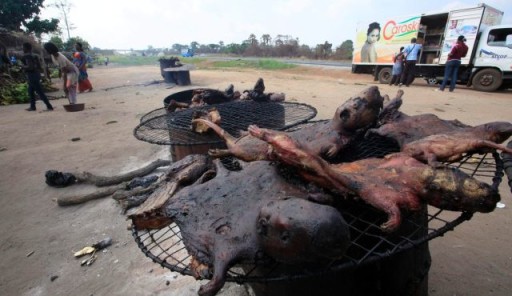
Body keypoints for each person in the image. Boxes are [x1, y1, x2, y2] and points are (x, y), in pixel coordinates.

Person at [21, 42, 54, 111]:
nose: (22, 49)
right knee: (30, 91)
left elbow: (30, 67)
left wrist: (23, 66)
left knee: (40, 92)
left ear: (26, 48)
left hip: (32, 76)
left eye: (23, 47)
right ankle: (32, 106)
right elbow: (39, 66)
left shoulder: (27, 56)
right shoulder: (35, 55)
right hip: (36, 74)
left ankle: (49, 106)